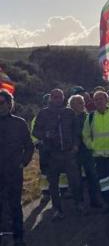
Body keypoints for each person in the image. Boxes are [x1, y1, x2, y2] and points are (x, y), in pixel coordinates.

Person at [33, 88, 84, 220]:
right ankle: (57, 209)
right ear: (51, 98)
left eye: (59, 97)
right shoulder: (43, 113)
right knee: (53, 184)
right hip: (52, 154)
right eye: (54, 97)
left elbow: (76, 131)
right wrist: (45, 134)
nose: (57, 99)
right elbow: (35, 131)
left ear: (63, 98)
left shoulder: (69, 112)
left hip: (68, 153)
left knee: (75, 180)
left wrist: (76, 146)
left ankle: (78, 203)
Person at [0, 90, 34, 246]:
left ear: (9, 104)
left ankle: (19, 239)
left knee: (14, 205)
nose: (0, 106)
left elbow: (29, 146)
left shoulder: (19, 123)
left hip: (13, 171)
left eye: (3, 102)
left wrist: (23, 162)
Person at [68, 94, 102, 209]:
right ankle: (79, 202)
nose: (82, 105)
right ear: (72, 105)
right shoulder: (68, 119)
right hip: (73, 152)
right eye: (79, 103)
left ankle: (95, 200)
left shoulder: (89, 117)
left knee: (92, 175)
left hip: (88, 151)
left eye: (82, 102)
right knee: (75, 179)